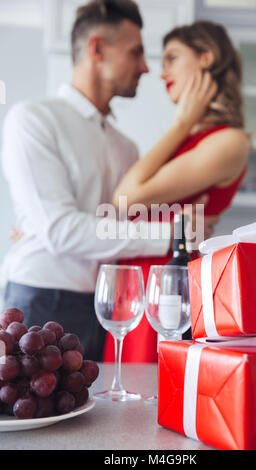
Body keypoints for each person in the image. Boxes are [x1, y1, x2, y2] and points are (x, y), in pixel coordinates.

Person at [1, 0, 218, 361]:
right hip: (41, 299)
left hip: (107, 304)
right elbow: (61, 230)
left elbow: (115, 227)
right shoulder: (33, 120)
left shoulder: (125, 147)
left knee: (98, 415)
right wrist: (171, 233)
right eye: (135, 53)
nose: (146, 67)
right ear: (97, 49)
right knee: (38, 412)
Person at [102, 20, 250, 363]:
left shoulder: (228, 140)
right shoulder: (187, 140)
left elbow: (125, 200)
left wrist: (181, 123)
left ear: (206, 57)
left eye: (171, 58)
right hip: (144, 277)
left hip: (170, 283)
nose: (160, 71)